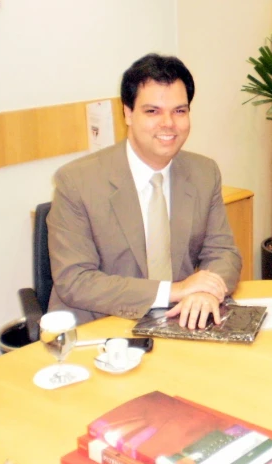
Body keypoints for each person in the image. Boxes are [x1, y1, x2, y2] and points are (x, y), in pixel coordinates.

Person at [47, 54, 241, 329]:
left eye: (179, 111)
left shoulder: (203, 173)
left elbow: (224, 254)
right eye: (153, 111)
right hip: (101, 329)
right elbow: (75, 281)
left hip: (179, 323)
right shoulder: (76, 181)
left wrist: (204, 290)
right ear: (127, 113)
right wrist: (175, 290)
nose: (168, 123)